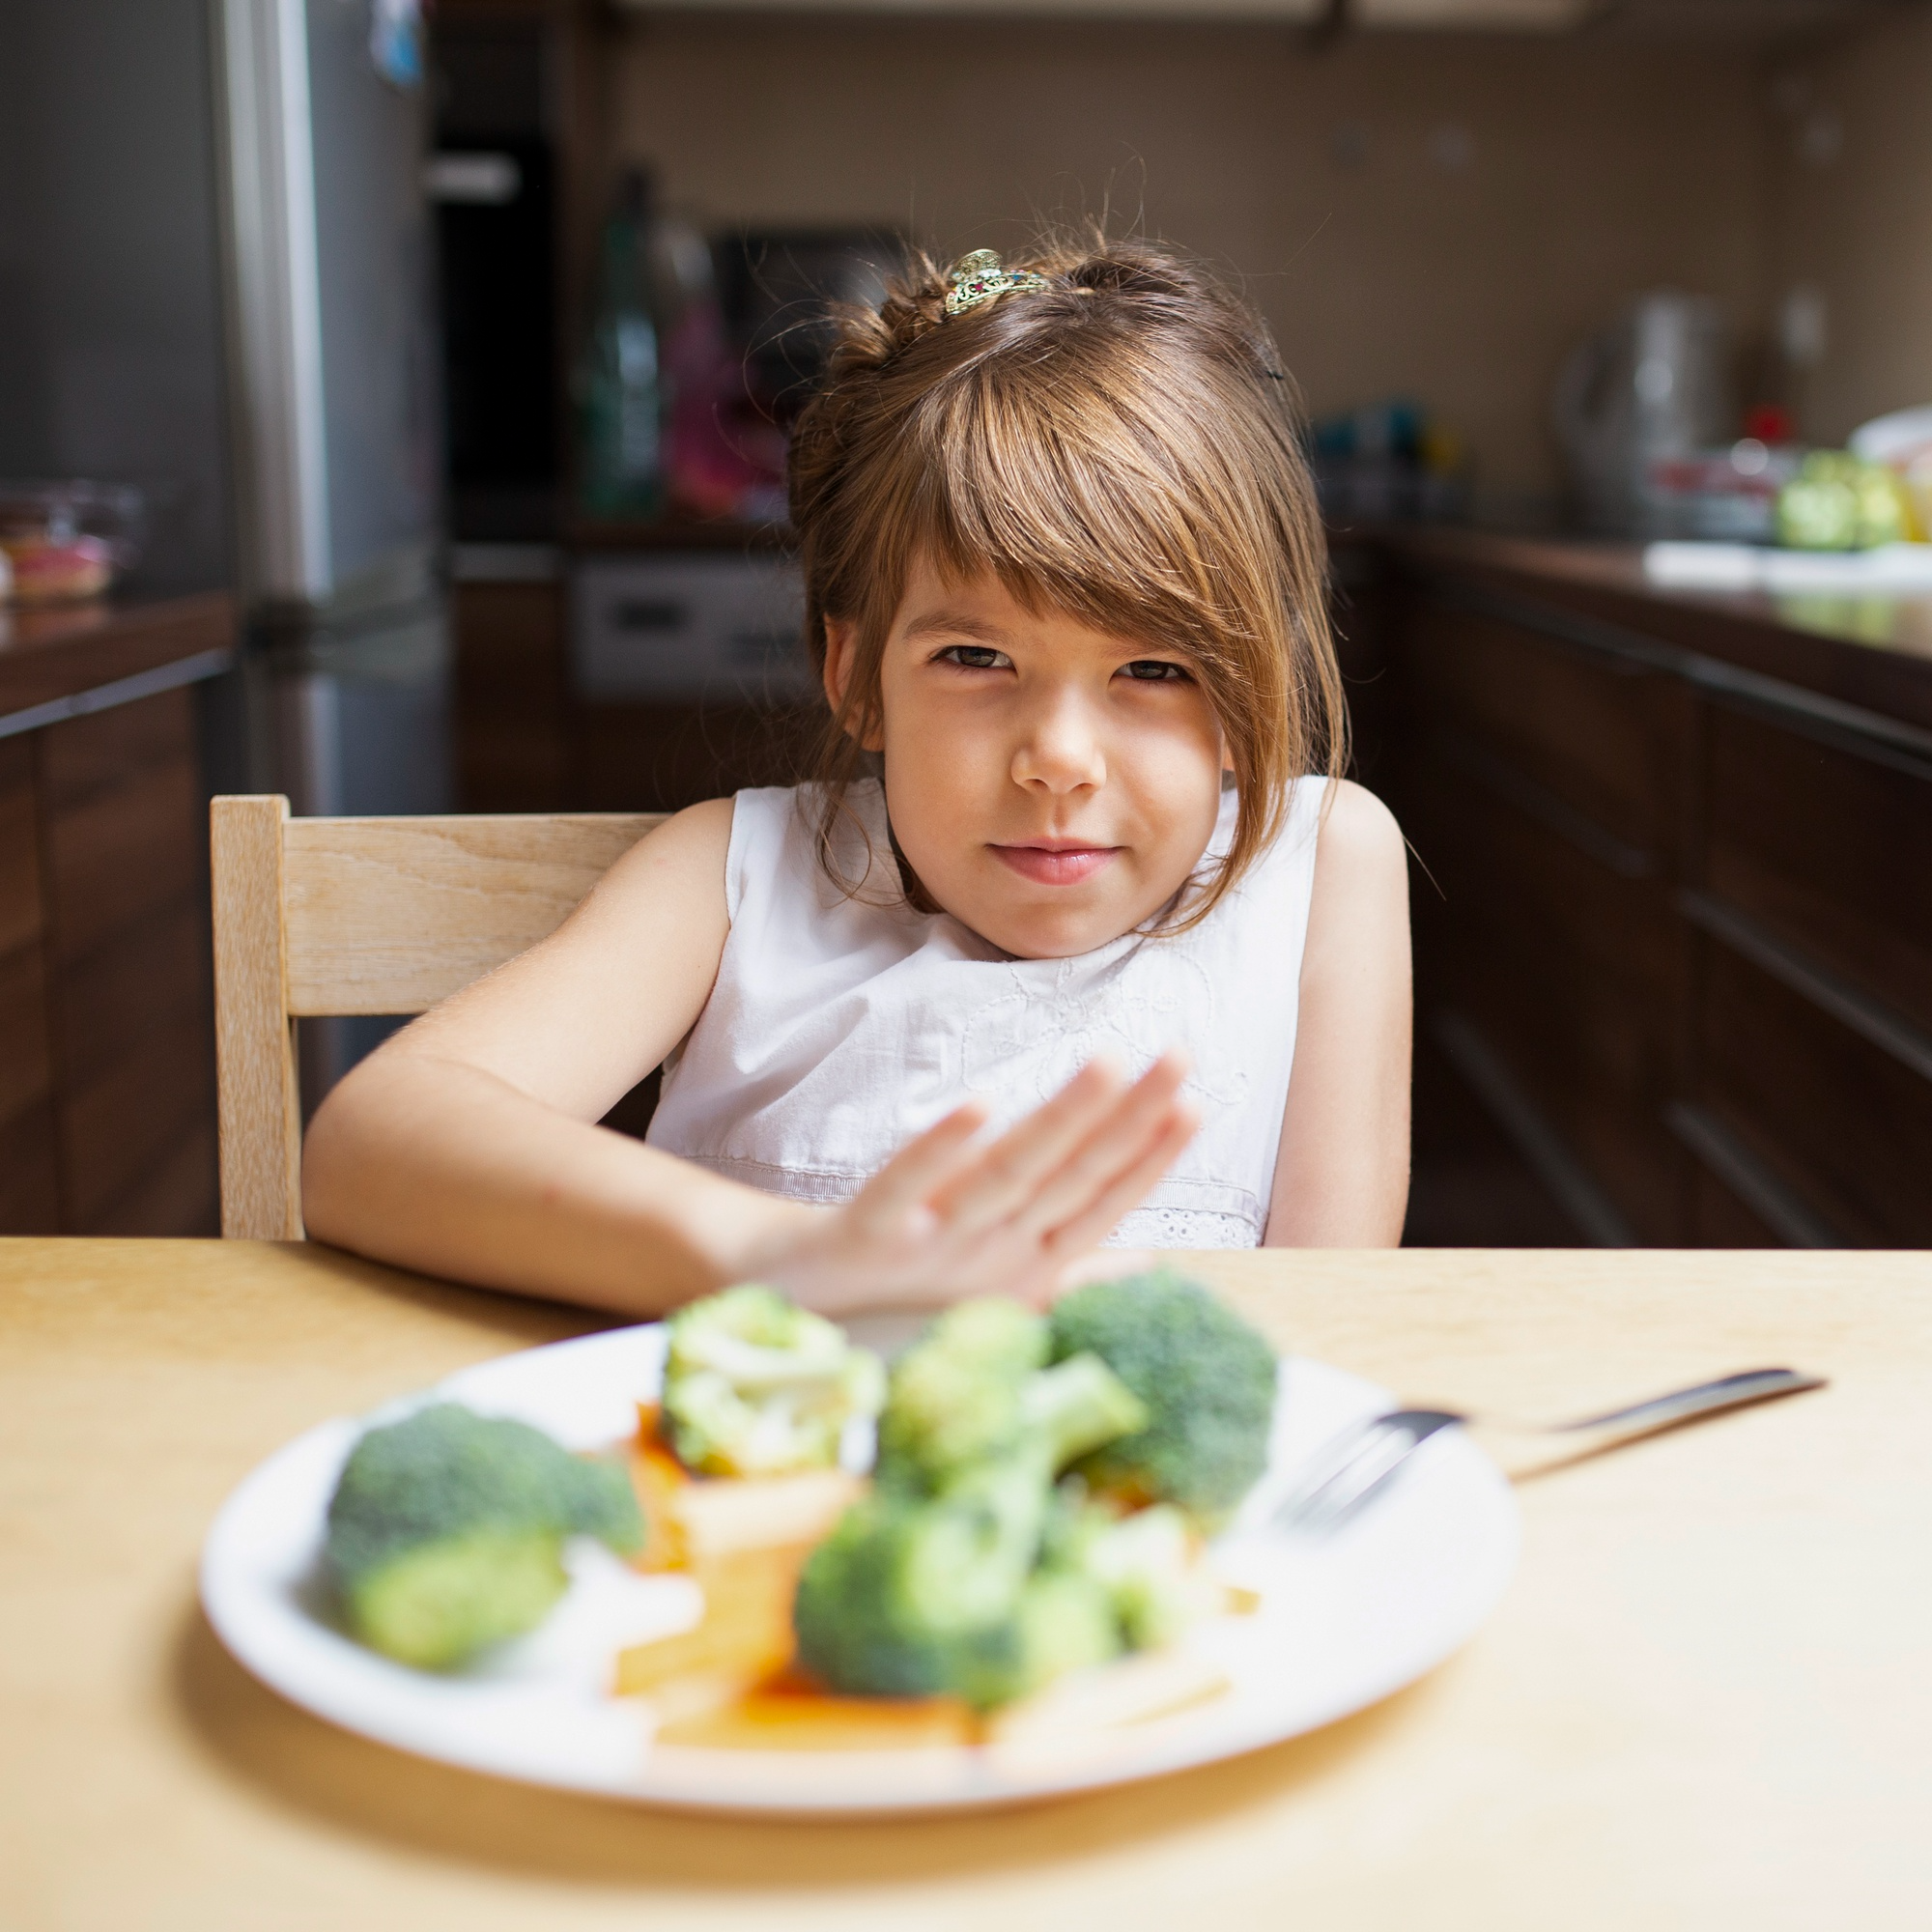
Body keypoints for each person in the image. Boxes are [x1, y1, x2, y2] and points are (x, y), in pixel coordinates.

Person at [304, 235, 1412, 1318]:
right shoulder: (731, 878)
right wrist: (788, 1256)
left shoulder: (1316, 872)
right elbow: (369, 1138)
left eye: (1153, 667)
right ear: (856, 676)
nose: (1060, 761)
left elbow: (1329, 1325)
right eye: (975, 658)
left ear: (1249, 694)